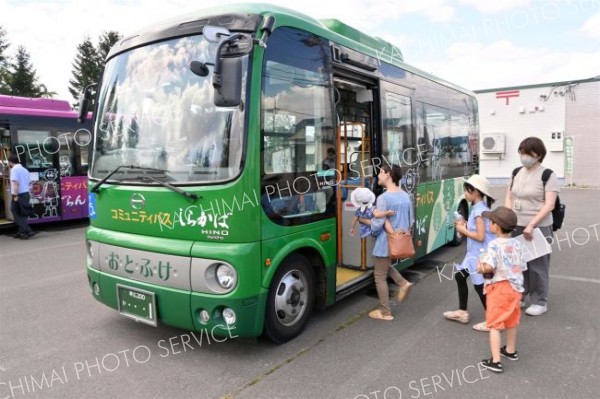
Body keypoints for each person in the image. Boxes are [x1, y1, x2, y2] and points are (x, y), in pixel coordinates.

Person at [505, 137, 558, 316]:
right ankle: (521, 295)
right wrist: (506, 219)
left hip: (538, 226)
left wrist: (532, 224)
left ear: (538, 154)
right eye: (521, 152)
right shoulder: (516, 172)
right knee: (519, 264)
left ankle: (540, 301)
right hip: (516, 225)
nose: (524, 156)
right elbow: (510, 197)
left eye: (528, 153)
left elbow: (549, 205)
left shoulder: (547, 175)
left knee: (538, 265)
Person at [443, 175, 496, 331]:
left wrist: (462, 230)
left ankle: (492, 321)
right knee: (460, 276)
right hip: (474, 254)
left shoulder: (479, 211)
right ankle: (462, 311)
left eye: (467, 191)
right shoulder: (480, 209)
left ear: (476, 192)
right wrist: (466, 225)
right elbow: (478, 230)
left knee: (480, 287)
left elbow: (480, 236)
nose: (465, 194)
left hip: (479, 255)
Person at [477, 206, 527, 373]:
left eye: (490, 222)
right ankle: (510, 351)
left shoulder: (494, 245)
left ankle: (495, 361)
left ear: (495, 226)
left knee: (494, 325)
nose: (489, 224)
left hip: (499, 288)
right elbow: (522, 265)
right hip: (516, 288)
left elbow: (489, 267)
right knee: (511, 321)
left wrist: (481, 267)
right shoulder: (517, 243)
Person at [366, 164, 414, 321]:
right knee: (384, 266)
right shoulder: (405, 196)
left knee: (379, 276)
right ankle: (403, 283)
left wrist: (364, 221)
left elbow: (377, 225)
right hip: (399, 242)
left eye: (380, 172)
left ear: (388, 175)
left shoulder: (383, 198)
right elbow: (410, 221)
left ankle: (385, 312)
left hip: (384, 243)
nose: (378, 175)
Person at [8, 154, 36, 239]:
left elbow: (16, 183)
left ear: (10, 162)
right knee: (22, 213)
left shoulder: (14, 170)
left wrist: (15, 195)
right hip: (26, 193)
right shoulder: (24, 169)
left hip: (19, 194)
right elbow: (29, 182)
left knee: (15, 211)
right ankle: (21, 232)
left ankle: (28, 230)